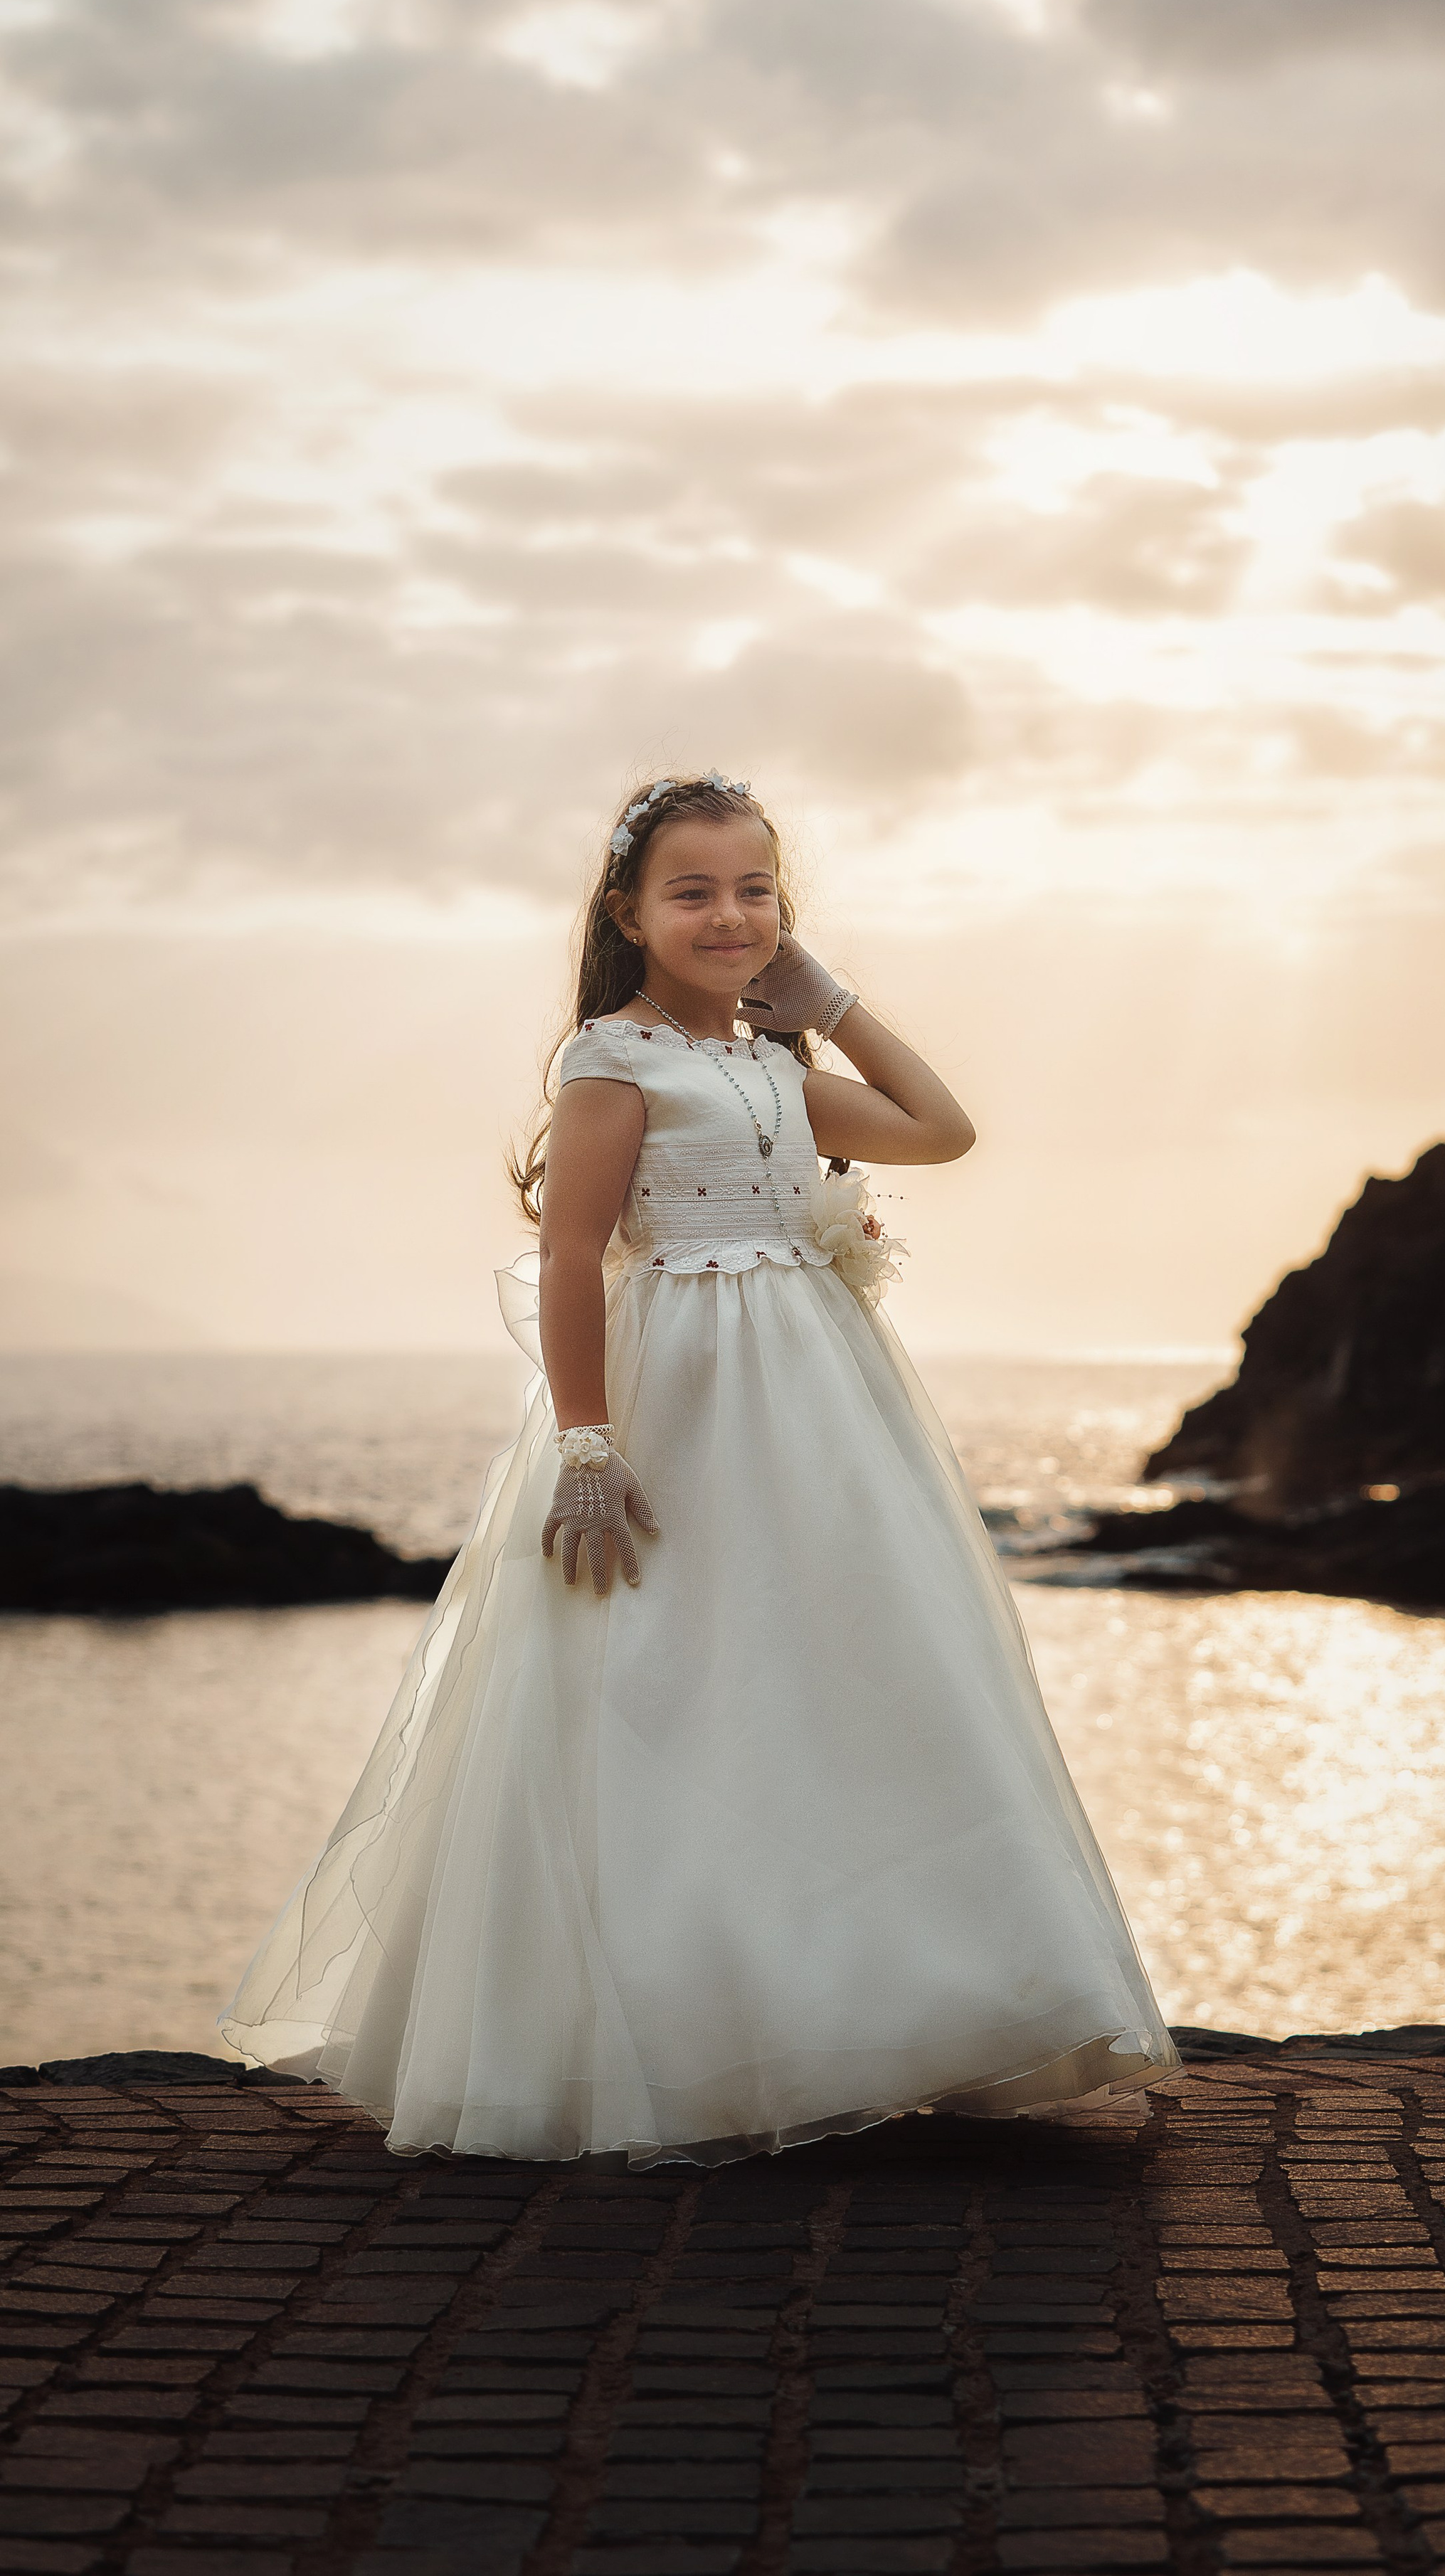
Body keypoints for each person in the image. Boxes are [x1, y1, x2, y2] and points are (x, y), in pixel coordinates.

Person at [221, 773, 1179, 2164]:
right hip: (685, 1387)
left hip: (818, 1391)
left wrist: (829, 997)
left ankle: (894, 2003)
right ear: (627, 913)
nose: (728, 916)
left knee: (843, 1667)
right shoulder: (614, 1060)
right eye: (692, 892)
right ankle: (690, 2034)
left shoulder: (769, 1061)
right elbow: (567, 1255)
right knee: (683, 1675)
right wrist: (587, 1444)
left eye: (753, 891)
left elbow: (940, 1128)